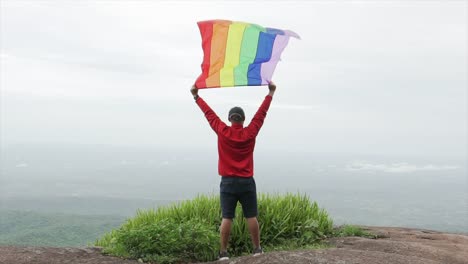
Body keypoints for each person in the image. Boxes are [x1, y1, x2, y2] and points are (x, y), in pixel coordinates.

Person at [190, 81, 276, 261]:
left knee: (227, 217)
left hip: (228, 181)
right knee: (251, 216)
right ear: (243, 120)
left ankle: (223, 253)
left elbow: (209, 114)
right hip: (246, 181)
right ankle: (257, 249)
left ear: (230, 119)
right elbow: (261, 114)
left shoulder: (223, 131)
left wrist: (197, 97)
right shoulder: (250, 132)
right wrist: (270, 93)